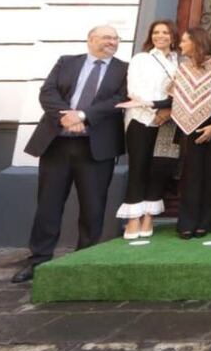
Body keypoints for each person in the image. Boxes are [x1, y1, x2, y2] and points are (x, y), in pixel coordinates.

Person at [12, 26, 128, 284]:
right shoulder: (66, 62)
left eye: (115, 38)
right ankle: (38, 260)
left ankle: (83, 261)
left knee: (93, 207)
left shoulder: (124, 69)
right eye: (106, 37)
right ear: (90, 40)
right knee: (48, 205)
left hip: (95, 147)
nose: (112, 42)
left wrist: (84, 116)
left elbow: (119, 100)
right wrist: (67, 115)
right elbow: (48, 92)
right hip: (57, 143)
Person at [115, 20, 178, 240]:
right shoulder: (141, 59)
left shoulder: (179, 61)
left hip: (169, 122)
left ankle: (149, 217)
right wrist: (156, 111)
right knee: (139, 167)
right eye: (156, 32)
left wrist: (167, 112)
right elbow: (134, 90)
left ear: (173, 36)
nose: (160, 36)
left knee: (160, 167)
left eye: (165, 32)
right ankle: (133, 218)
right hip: (141, 118)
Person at [172, 27, 211, 239]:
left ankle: (206, 222)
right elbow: (176, 96)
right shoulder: (184, 67)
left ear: (196, 42)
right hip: (189, 127)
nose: (181, 45)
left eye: (184, 41)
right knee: (192, 175)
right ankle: (187, 222)